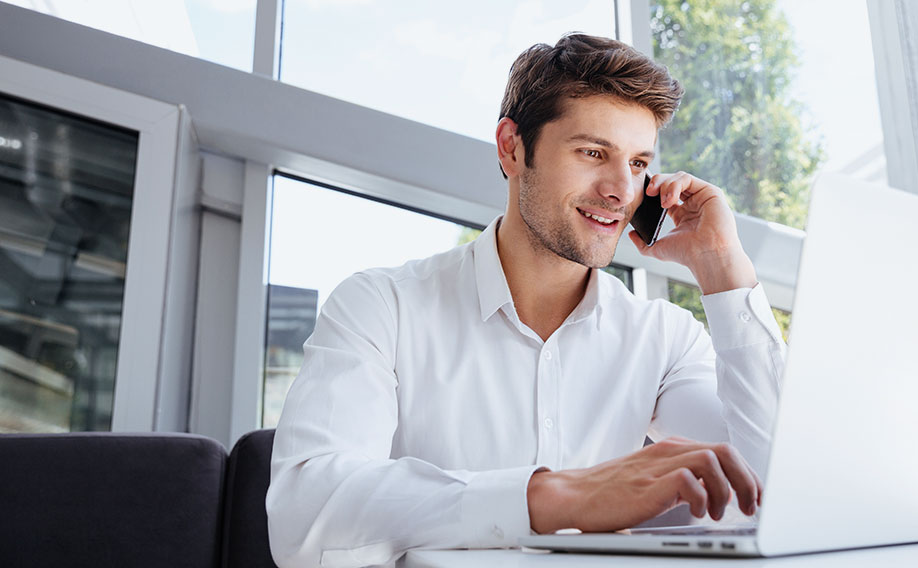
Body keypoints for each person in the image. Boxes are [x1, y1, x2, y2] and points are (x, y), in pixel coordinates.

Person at [267, 33, 786, 568]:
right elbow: (303, 518)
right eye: (592, 152)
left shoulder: (665, 338)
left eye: (637, 164)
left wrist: (722, 266)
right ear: (511, 147)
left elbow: (776, 489)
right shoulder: (380, 307)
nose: (620, 191)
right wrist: (552, 497)